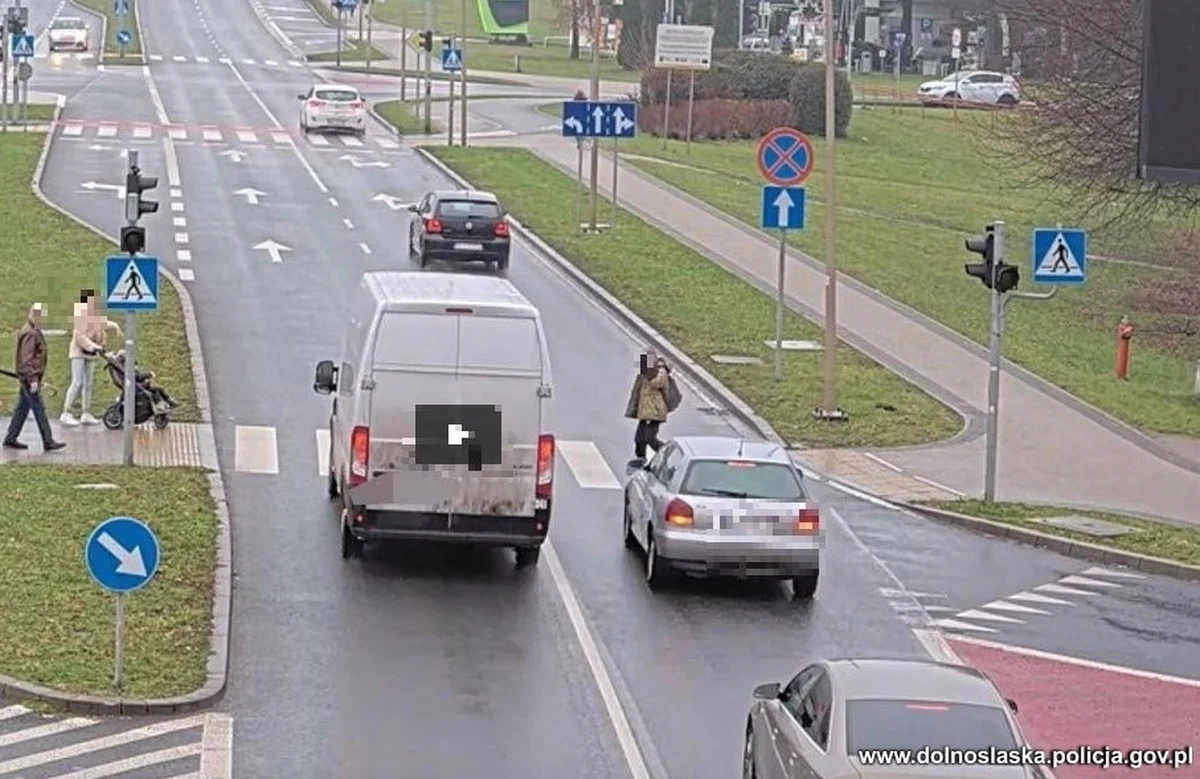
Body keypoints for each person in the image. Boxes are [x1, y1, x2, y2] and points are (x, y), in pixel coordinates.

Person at [3, 304, 66, 452]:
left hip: (27, 376)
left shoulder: (31, 330)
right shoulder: (31, 333)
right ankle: (48, 441)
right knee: (39, 409)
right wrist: (33, 380)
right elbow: (27, 360)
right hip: (29, 377)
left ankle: (11, 438)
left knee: (22, 408)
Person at [61, 289, 121, 426]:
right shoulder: (81, 316)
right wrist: (94, 346)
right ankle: (66, 412)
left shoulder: (93, 315)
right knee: (77, 382)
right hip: (79, 353)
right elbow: (79, 336)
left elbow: (101, 323)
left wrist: (115, 325)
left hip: (90, 354)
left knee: (88, 383)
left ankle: (85, 412)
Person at [625, 351, 671, 461]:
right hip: (644, 412)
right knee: (639, 440)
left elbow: (657, 383)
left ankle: (667, 454)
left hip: (654, 412)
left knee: (650, 439)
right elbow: (637, 392)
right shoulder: (644, 373)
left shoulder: (661, 371)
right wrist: (634, 409)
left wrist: (649, 372)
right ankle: (641, 460)